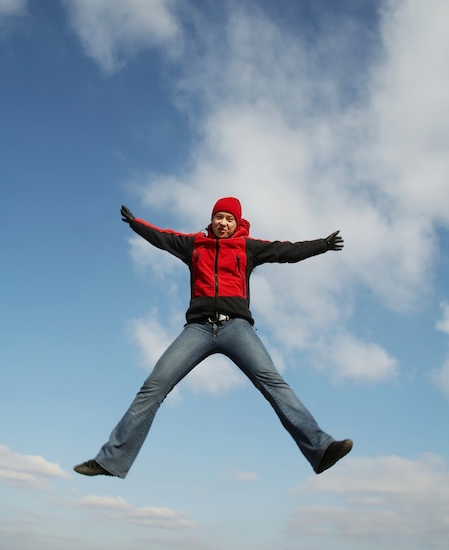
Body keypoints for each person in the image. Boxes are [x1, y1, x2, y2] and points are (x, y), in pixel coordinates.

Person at [74, 197, 352, 478]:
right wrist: (136, 224)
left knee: (273, 383)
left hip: (237, 328)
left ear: (238, 223)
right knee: (153, 387)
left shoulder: (247, 247)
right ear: (212, 219)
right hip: (198, 329)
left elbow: (287, 251)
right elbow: (162, 237)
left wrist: (323, 245)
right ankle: (110, 460)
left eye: (229, 219)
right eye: (219, 217)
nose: (223, 223)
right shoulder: (195, 245)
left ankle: (321, 449)